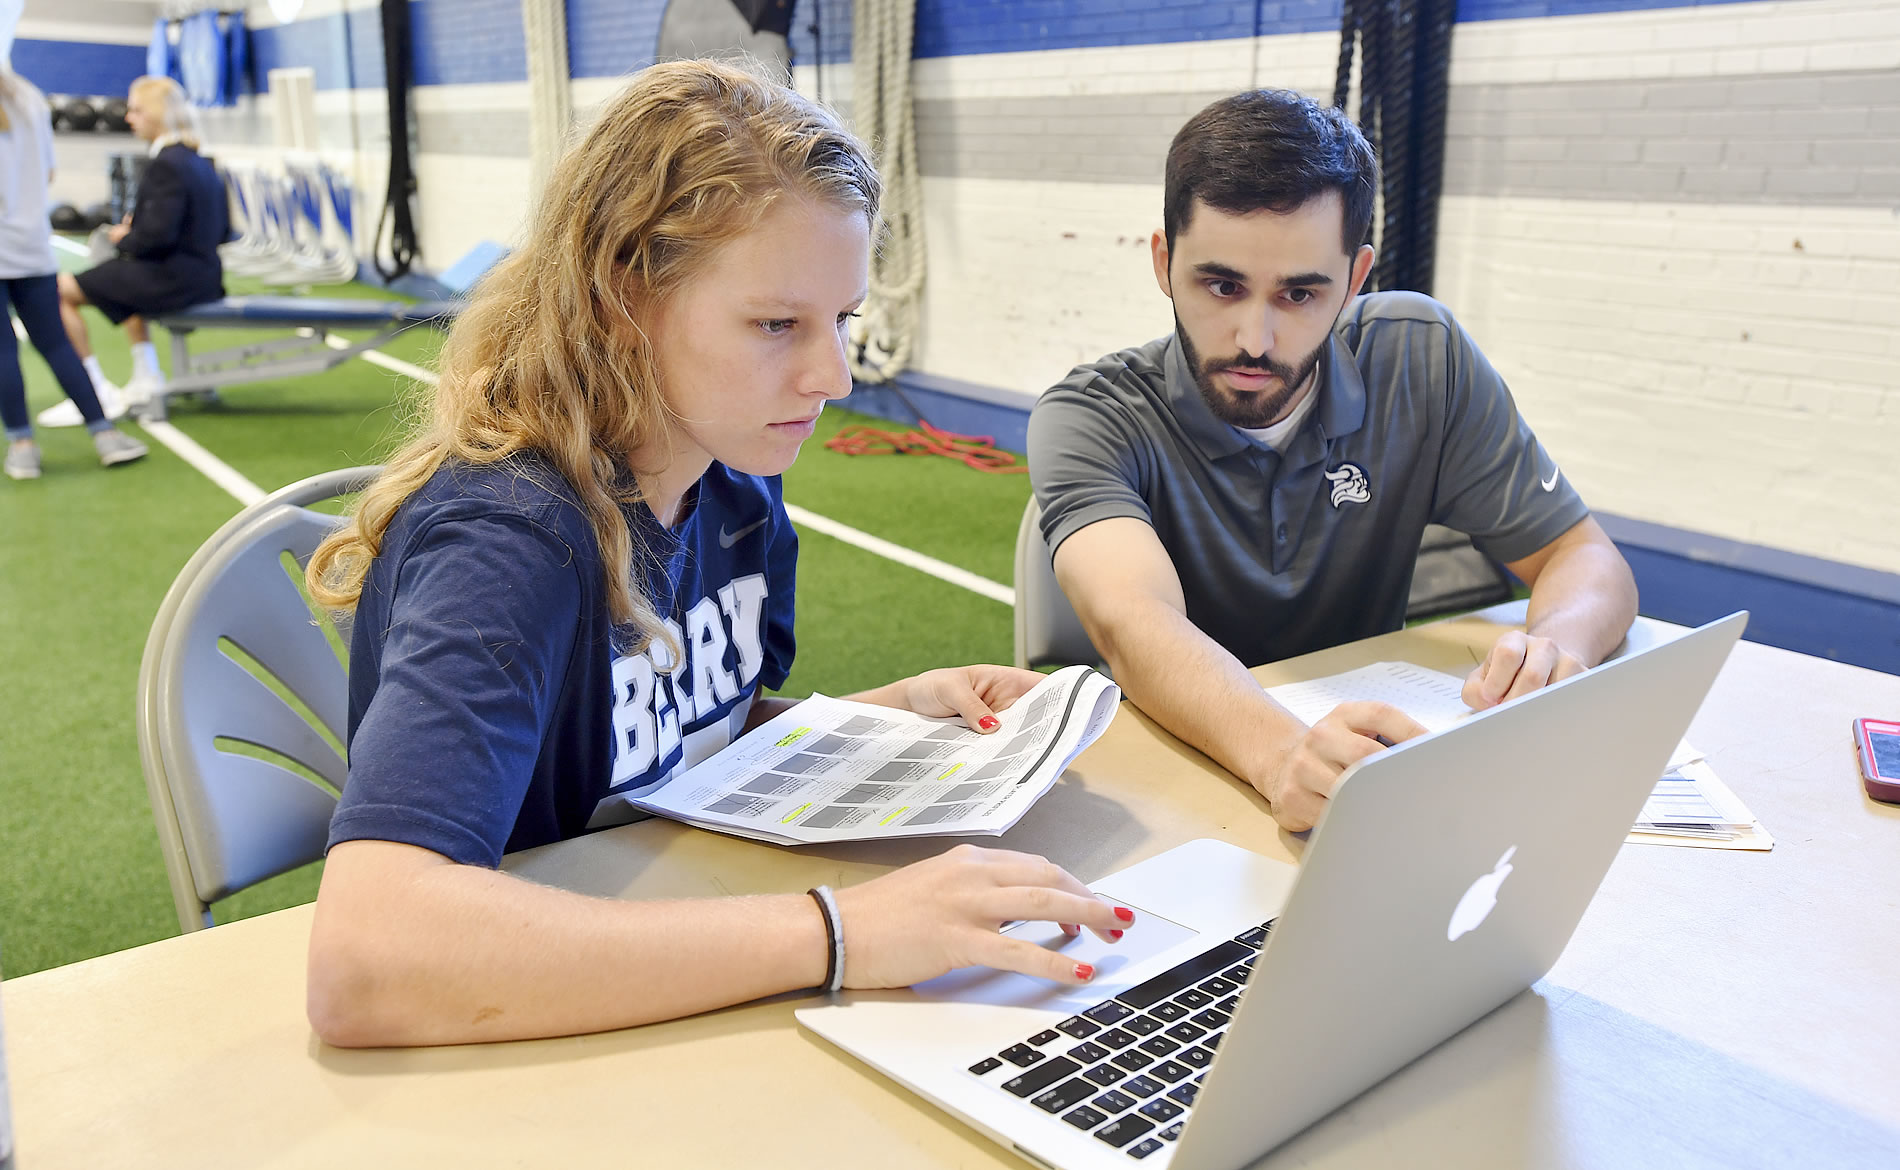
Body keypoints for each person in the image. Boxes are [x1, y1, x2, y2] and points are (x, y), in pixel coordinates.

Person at [301, 59, 1134, 1049]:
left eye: (842, 320)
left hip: (654, 947)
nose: (830, 374)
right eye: (776, 324)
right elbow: (368, 957)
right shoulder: (513, 538)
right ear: (622, 299)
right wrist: (841, 933)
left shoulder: (731, 480)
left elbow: (671, 737)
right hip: (523, 1030)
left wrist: (883, 717)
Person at [1027, 89, 1638, 835]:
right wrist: (1286, 756)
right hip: (1178, 792)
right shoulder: (1091, 414)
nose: (1255, 337)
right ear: (1164, 261)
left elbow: (1582, 555)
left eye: (1300, 293)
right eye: (1221, 285)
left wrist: (1554, 652)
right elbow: (1135, 619)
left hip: (1367, 785)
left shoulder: (1423, 358)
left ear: (1355, 279)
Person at [37, 75, 227, 428]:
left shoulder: (166, 164)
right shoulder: (199, 160)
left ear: (158, 114)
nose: (128, 117)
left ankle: (91, 391)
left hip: (177, 279)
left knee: (56, 290)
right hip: (203, 275)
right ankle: (146, 373)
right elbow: (223, 229)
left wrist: (124, 236)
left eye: (137, 110)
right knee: (119, 276)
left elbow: (154, 237)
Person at [0, 65, 149, 477]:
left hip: (17, 245)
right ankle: (104, 435)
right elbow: (47, 172)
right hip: (31, 246)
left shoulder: (25, 98)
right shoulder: (28, 96)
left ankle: (22, 446)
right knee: (56, 343)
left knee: (2, 350)